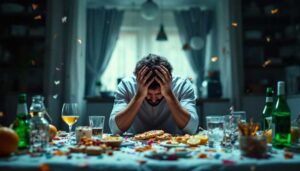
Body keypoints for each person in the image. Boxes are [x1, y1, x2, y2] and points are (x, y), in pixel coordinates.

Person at [109, 54, 199, 135]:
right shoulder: (126, 85)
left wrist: (168, 94)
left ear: (170, 80)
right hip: (133, 147)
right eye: (148, 94)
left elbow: (192, 128)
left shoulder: (182, 85)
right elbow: (115, 129)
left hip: (174, 146)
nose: (153, 99)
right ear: (137, 82)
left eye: (159, 93)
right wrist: (139, 95)